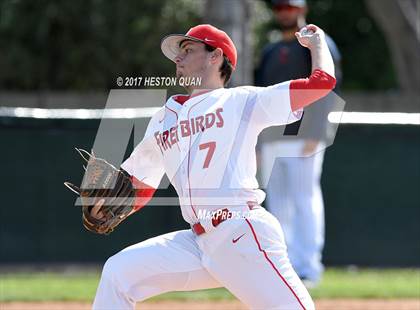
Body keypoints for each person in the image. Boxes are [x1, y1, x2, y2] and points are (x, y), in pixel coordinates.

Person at [91, 23, 336, 309]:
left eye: (188, 50)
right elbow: (140, 183)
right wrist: (109, 206)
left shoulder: (242, 100)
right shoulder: (164, 118)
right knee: (118, 272)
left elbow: (321, 83)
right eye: (178, 54)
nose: (178, 59)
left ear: (215, 56)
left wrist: (318, 44)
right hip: (197, 244)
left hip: (241, 232)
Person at [255, 0, 342, 287]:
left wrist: (318, 132)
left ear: (301, 9)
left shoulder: (317, 41)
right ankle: (286, 266)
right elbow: (260, 96)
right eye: (280, 7)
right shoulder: (269, 49)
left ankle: (308, 267)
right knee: (278, 203)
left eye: (289, 7)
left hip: (304, 135)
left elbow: (330, 87)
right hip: (272, 137)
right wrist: (256, 140)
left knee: (305, 200)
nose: (284, 12)